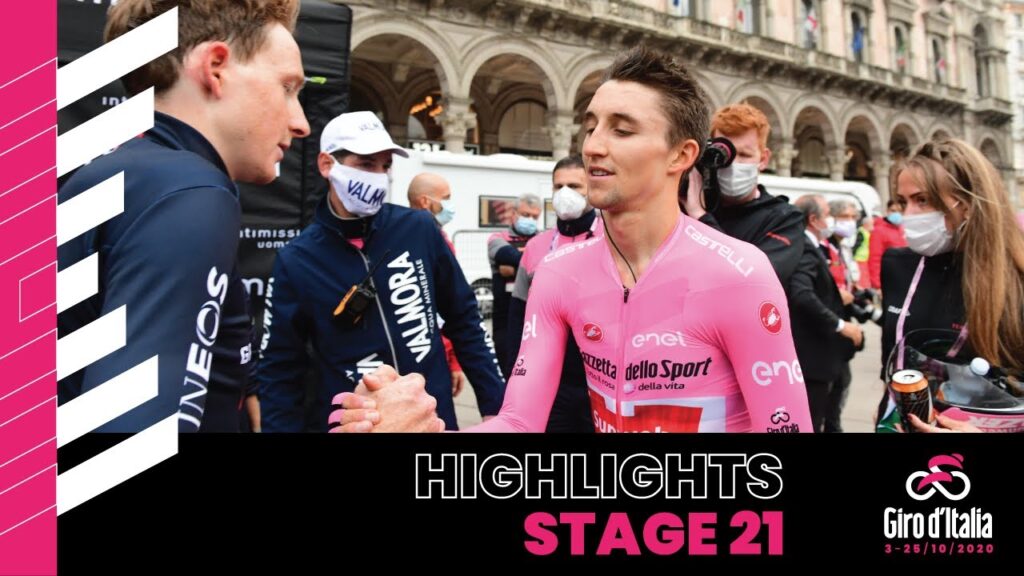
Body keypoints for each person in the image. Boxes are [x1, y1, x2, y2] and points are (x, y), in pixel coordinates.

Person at [332, 46, 813, 433]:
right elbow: (519, 422)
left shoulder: (740, 273)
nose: (593, 146)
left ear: (680, 156)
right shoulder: (560, 273)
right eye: (591, 126)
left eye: (621, 130)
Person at [57, 0, 310, 432]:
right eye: (287, 87)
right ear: (216, 67)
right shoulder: (190, 192)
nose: (301, 122)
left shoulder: (132, 174)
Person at [256, 111, 505, 431]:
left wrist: (495, 405)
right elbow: (280, 370)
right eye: (366, 164)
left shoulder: (417, 228)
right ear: (327, 165)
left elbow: (465, 318)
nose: (378, 176)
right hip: (356, 424)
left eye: (385, 166)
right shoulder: (297, 259)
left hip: (434, 418)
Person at [874, 138, 1024, 433]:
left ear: (966, 205)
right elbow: (891, 352)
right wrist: (888, 410)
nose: (908, 214)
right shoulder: (897, 265)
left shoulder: (1014, 282)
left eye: (922, 200)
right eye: (903, 201)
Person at [506, 155, 603, 433]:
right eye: (558, 186)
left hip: (598, 381)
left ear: (591, 188)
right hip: (549, 383)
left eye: (575, 185)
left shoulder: (612, 239)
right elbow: (517, 315)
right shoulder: (536, 246)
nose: (565, 193)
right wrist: (512, 372)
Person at [682, 103, 804, 287]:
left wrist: (701, 218)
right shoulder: (691, 204)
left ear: (763, 159)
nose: (733, 164)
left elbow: (756, 278)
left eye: (744, 155)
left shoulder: (785, 218)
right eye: (726, 154)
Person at [789, 195, 862, 432]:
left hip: (820, 352)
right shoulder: (806, 248)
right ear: (814, 219)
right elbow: (802, 295)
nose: (831, 220)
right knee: (812, 419)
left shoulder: (808, 245)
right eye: (829, 214)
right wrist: (840, 325)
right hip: (813, 354)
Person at [407, 173, 466, 399]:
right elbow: (449, 307)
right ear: (425, 201)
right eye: (446, 198)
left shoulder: (435, 237)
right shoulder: (437, 243)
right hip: (432, 355)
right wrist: (453, 361)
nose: (450, 204)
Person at [487, 194, 542, 376]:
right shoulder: (497, 237)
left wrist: (516, 267)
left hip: (535, 318)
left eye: (535, 216)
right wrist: (532, 262)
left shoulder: (544, 240)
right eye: (526, 214)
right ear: (513, 213)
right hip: (504, 316)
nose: (530, 220)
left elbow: (550, 262)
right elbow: (506, 254)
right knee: (507, 369)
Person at [823, 198, 863, 433]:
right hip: (830, 325)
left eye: (852, 218)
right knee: (833, 385)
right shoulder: (824, 246)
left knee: (841, 383)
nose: (850, 222)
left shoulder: (844, 246)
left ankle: (833, 425)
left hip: (843, 320)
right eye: (845, 217)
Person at [868, 199, 907, 290]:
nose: (897, 214)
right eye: (893, 211)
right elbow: (875, 258)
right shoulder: (879, 230)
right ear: (887, 211)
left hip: (903, 277)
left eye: (900, 211)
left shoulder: (903, 229)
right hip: (888, 279)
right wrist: (878, 285)